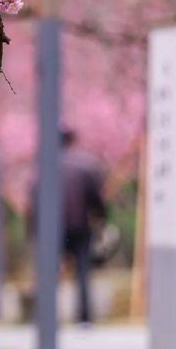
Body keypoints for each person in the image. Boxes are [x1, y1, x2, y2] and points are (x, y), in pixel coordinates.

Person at [61, 128, 107, 325]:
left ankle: (44, 316)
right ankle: (84, 317)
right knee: (82, 271)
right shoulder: (85, 164)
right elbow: (96, 198)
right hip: (80, 225)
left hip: (53, 228)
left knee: (48, 270)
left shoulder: (43, 165)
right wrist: (101, 218)